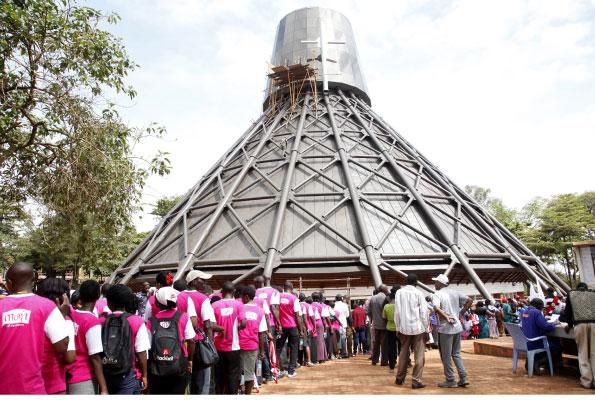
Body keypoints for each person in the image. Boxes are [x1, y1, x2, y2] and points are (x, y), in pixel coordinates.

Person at [0, 262, 70, 394]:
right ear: (33, 280)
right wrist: (63, 317)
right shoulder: (47, 307)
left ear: (9, 282)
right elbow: (62, 347)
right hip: (33, 390)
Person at [146, 286, 195, 394]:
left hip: (157, 368)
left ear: (158, 304)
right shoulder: (184, 317)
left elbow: (148, 347)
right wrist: (190, 360)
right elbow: (191, 341)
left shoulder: (151, 321)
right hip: (179, 365)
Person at [103, 284, 151, 394]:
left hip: (106, 373)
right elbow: (142, 352)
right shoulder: (136, 321)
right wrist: (144, 375)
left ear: (109, 303)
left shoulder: (102, 321)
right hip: (129, 374)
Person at [177, 270, 216, 394]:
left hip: (180, 344)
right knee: (202, 382)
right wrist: (210, 345)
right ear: (193, 281)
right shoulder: (203, 298)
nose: (205, 282)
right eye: (202, 280)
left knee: (186, 382)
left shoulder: (178, 296)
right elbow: (208, 325)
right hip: (198, 344)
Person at [67, 280, 108, 394]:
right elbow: (95, 357)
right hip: (84, 379)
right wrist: (104, 388)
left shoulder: (71, 315)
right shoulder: (92, 322)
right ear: (98, 296)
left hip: (68, 374)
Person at [36, 278, 77, 394]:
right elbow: (69, 357)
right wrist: (62, 317)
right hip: (53, 383)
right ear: (64, 298)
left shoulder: (33, 315)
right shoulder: (65, 321)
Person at [431, 273, 471, 388]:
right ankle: (463, 377)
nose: (435, 284)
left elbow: (436, 307)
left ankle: (450, 379)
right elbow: (469, 300)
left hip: (445, 328)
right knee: (456, 353)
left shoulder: (437, 294)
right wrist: (460, 313)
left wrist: (447, 316)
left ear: (440, 283)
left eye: (436, 282)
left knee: (446, 355)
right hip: (457, 326)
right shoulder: (455, 292)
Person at [394, 273, 428, 389]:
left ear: (406, 282)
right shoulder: (419, 293)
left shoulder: (399, 293)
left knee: (403, 353)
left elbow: (397, 312)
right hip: (418, 328)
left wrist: (398, 327)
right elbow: (424, 313)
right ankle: (416, 380)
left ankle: (399, 378)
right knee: (419, 355)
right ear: (416, 282)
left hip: (403, 328)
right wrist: (426, 328)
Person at [561, 282, 595, 389]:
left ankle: (586, 381)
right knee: (594, 353)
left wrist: (569, 324)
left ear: (577, 288)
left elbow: (568, 312)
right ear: (586, 288)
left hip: (580, 325)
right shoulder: (593, 294)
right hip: (594, 324)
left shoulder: (572, 294)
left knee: (583, 353)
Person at [212, 281, 243, 394]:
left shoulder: (214, 305)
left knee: (219, 374)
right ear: (234, 291)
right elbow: (243, 324)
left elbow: (210, 325)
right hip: (233, 347)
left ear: (222, 292)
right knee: (233, 374)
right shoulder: (239, 305)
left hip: (218, 346)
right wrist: (236, 328)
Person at [520, 298, 562, 375]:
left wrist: (544, 321)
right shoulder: (537, 312)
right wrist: (554, 324)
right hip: (536, 342)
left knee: (551, 340)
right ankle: (539, 363)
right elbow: (545, 327)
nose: (542, 310)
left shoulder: (524, 312)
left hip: (527, 341)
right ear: (539, 306)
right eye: (542, 308)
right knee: (557, 347)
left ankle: (532, 362)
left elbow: (531, 322)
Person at [238, 285, 267, 395]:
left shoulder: (239, 308)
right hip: (252, 346)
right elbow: (261, 333)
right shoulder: (260, 311)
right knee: (249, 373)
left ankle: (238, 391)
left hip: (238, 345)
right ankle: (247, 394)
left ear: (245, 296)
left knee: (238, 372)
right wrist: (262, 351)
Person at [277, 281, 303, 377]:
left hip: (281, 326)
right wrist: (301, 330)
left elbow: (275, 309)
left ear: (284, 287)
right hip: (292, 326)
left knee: (278, 348)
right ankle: (291, 371)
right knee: (294, 348)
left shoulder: (278, 296)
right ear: (291, 289)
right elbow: (297, 315)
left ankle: (277, 369)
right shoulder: (294, 298)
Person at [368, 285, 390, 366]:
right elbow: (386, 311)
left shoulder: (373, 298)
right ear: (384, 290)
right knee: (384, 344)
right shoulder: (386, 298)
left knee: (376, 342)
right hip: (384, 324)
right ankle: (384, 361)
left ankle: (374, 360)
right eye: (387, 289)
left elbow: (369, 311)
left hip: (375, 324)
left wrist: (372, 319)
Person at [382, 291, 398, 371]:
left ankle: (392, 364)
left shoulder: (386, 306)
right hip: (399, 329)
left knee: (391, 347)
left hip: (389, 328)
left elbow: (384, 318)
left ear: (390, 298)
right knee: (401, 347)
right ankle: (402, 364)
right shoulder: (399, 306)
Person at [298, 293, 315, 367]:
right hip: (306, 327)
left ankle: (300, 361)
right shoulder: (308, 306)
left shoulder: (297, 305)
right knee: (306, 344)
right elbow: (311, 317)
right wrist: (312, 326)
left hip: (297, 327)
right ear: (305, 298)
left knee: (299, 344)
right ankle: (308, 360)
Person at [311, 292, 328, 363]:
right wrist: (325, 327)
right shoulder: (321, 306)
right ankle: (321, 358)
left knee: (313, 341)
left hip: (312, 323)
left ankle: (314, 358)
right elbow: (323, 318)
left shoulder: (310, 305)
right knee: (320, 341)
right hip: (320, 323)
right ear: (319, 298)